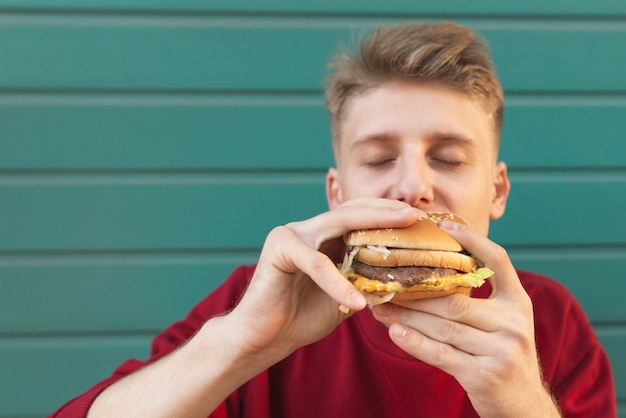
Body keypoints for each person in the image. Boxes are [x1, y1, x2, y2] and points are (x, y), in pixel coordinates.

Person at [51, 22, 616, 417]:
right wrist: (243, 344)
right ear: (337, 193)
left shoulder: (551, 323)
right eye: (377, 159)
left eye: (447, 158)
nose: (412, 186)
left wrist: (524, 407)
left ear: (496, 191)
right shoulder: (257, 301)